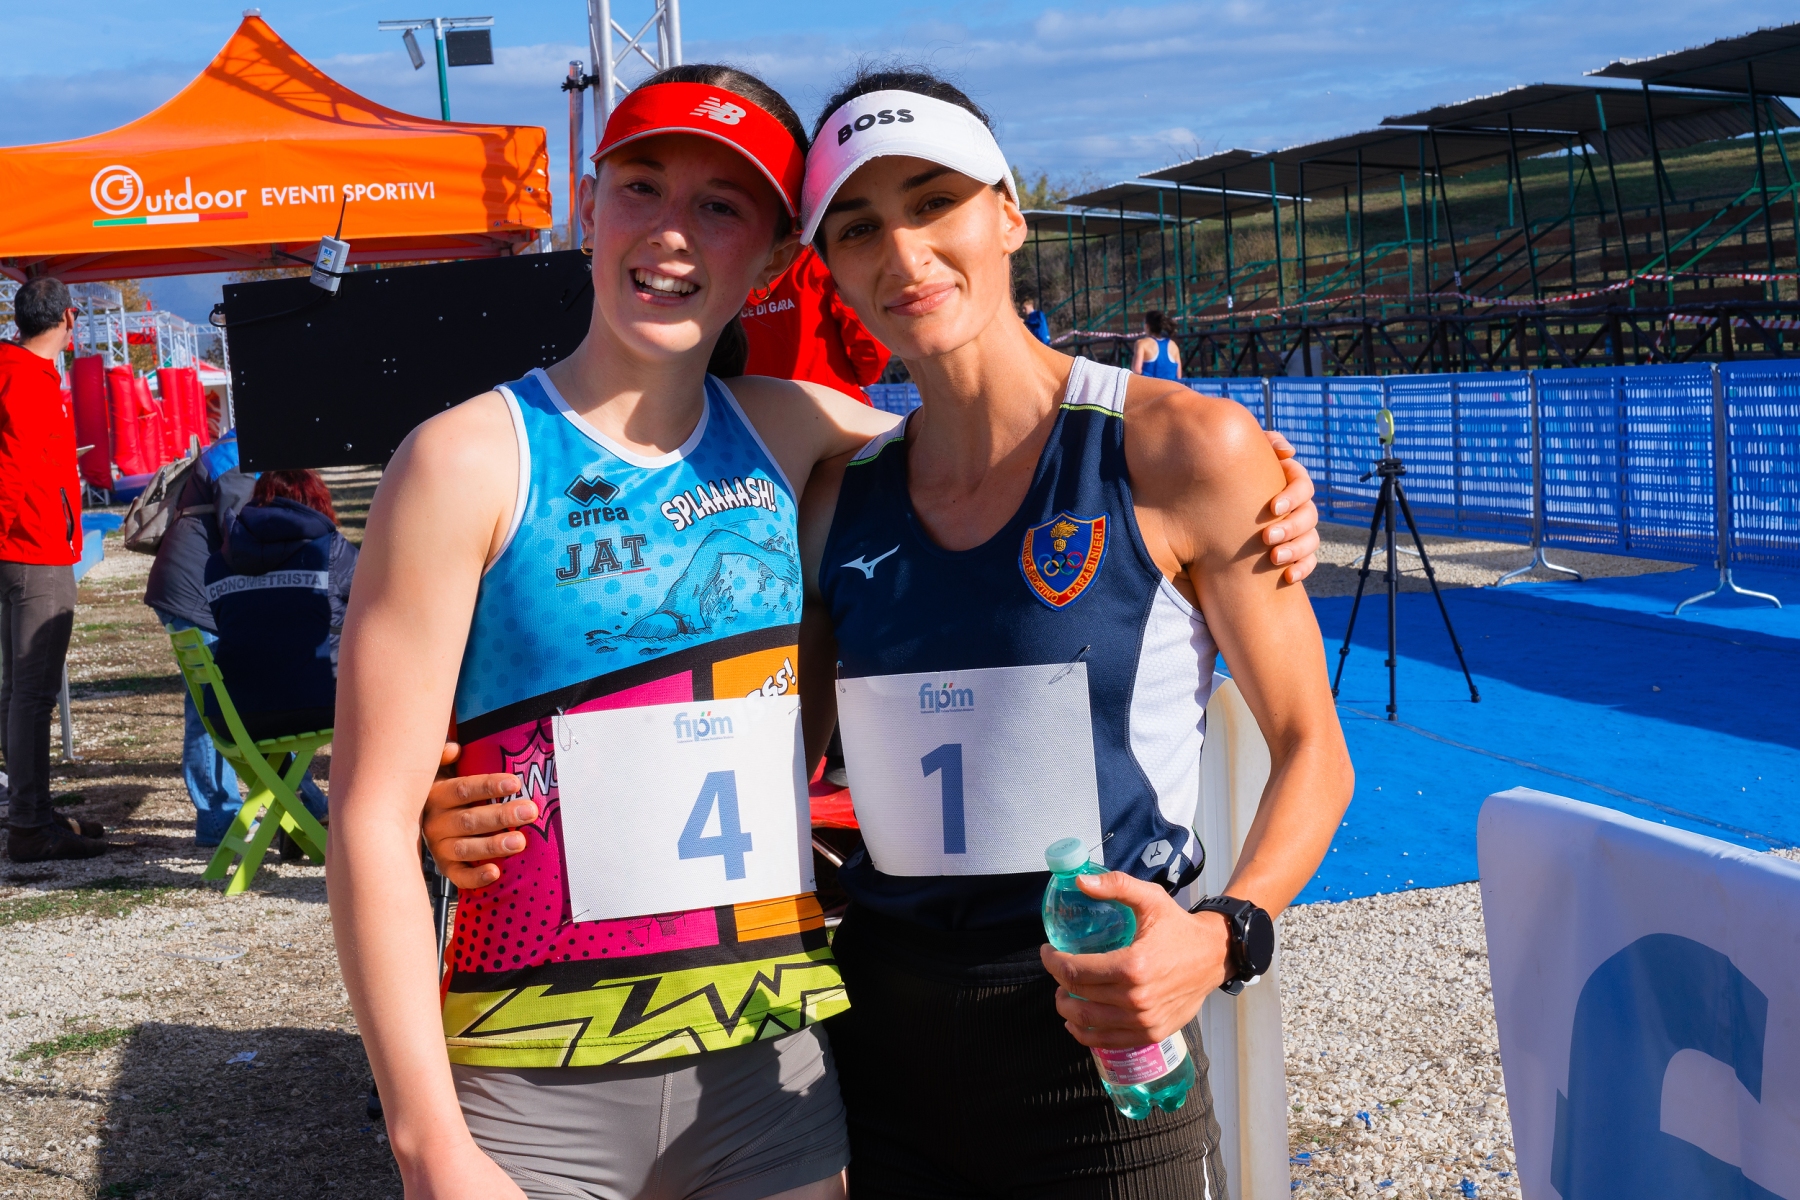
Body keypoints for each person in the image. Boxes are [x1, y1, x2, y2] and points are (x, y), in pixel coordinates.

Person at [352, 65, 1323, 1200]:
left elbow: (1022, 439)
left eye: (721, 205)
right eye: (860, 226)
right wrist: (466, 800)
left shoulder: (831, 442)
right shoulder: (767, 467)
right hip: (729, 1054)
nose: (904, 254)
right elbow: (386, 809)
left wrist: (1260, 476)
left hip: (917, 1059)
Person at [0, 276, 104, 862]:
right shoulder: (28, 378)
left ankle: (29, 809)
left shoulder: (16, 371)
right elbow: (13, 469)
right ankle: (31, 824)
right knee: (32, 692)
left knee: (20, 689)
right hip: (33, 547)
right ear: (68, 318)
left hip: (26, 542)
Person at [203, 468, 349, 831]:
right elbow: (378, 609)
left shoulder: (219, 560)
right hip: (320, 704)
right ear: (316, 501)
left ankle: (301, 818)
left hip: (236, 714)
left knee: (267, 672)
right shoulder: (332, 549)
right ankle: (357, 821)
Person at [144, 428, 255, 845]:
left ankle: (221, 815)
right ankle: (218, 818)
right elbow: (241, 535)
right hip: (193, 592)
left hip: (186, 586)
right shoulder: (240, 456)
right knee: (210, 709)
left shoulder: (230, 448)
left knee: (211, 704)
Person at [740, 244, 890, 402]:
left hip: (752, 409)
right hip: (830, 405)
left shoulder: (733, 274)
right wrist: (854, 378)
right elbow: (870, 344)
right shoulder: (816, 262)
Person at [1132, 309, 1183, 379]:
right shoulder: (1173, 345)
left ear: (1147, 326)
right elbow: (1179, 376)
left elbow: (1136, 370)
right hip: (1170, 385)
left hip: (1150, 385)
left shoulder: (1141, 344)